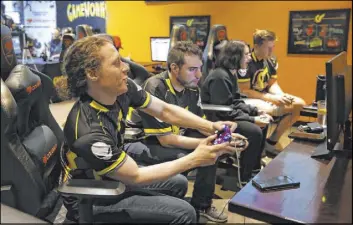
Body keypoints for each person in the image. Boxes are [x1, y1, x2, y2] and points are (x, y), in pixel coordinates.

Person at [61, 35, 241, 224]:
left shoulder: (123, 88)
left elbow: (165, 110)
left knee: (178, 183)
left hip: (113, 177)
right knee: (185, 213)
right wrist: (196, 158)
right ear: (92, 74)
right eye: (116, 63)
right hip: (94, 197)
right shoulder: (89, 132)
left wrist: (211, 126)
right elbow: (135, 176)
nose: (126, 67)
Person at [125, 41, 248, 223]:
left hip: (173, 136)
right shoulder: (155, 86)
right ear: (174, 68)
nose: (199, 74)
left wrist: (221, 135)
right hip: (144, 140)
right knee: (196, 153)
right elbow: (166, 140)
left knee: (212, 151)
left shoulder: (192, 87)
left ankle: (201, 204)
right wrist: (209, 143)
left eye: (199, 68)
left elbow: (199, 124)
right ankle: (172, 205)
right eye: (192, 69)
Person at [201, 40, 274, 186]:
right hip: (218, 123)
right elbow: (225, 111)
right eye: (246, 55)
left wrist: (256, 112)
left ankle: (254, 169)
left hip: (227, 116)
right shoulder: (220, 76)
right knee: (254, 131)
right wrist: (253, 120)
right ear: (235, 56)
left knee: (263, 125)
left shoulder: (230, 73)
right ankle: (244, 178)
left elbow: (236, 100)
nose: (249, 58)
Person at [237, 29, 306, 155]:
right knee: (272, 110)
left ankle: (271, 142)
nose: (271, 51)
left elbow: (272, 83)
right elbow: (246, 90)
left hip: (264, 95)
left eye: (273, 47)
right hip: (247, 98)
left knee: (299, 104)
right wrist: (271, 98)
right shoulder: (246, 61)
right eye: (268, 47)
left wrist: (281, 96)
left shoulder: (271, 60)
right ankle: (257, 148)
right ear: (256, 46)